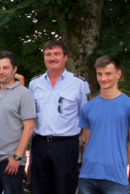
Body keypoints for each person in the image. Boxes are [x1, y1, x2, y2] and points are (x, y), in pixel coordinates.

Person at [29, 40, 90, 194]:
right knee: (39, 189)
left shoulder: (79, 84)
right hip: (40, 144)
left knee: (64, 189)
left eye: (57, 54)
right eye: (48, 54)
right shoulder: (34, 84)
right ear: (44, 57)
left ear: (65, 57)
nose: (52, 58)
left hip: (66, 146)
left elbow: (85, 118)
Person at [78, 55, 130, 193]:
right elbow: (87, 141)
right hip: (87, 176)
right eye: (99, 74)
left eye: (108, 73)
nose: (103, 78)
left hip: (116, 177)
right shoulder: (88, 108)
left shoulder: (127, 105)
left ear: (118, 74)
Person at [0, 51, 36, 194]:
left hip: (10, 162)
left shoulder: (24, 94)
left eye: (5, 68)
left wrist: (17, 157)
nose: (1, 72)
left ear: (14, 69)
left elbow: (29, 127)